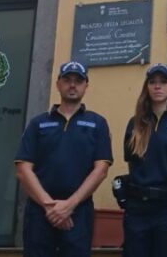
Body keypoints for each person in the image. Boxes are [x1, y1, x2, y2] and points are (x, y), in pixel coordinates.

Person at [14, 61, 113, 257]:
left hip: (79, 213)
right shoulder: (38, 123)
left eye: (78, 80)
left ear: (86, 86)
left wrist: (70, 205)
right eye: (67, 80)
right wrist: (51, 207)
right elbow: (23, 169)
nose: (72, 85)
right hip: (40, 213)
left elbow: (101, 169)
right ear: (58, 84)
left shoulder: (98, 123)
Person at [121, 63, 167, 257]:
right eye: (152, 82)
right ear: (147, 87)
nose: (157, 86)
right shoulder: (135, 122)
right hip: (137, 208)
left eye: (163, 82)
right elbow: (132, 163)